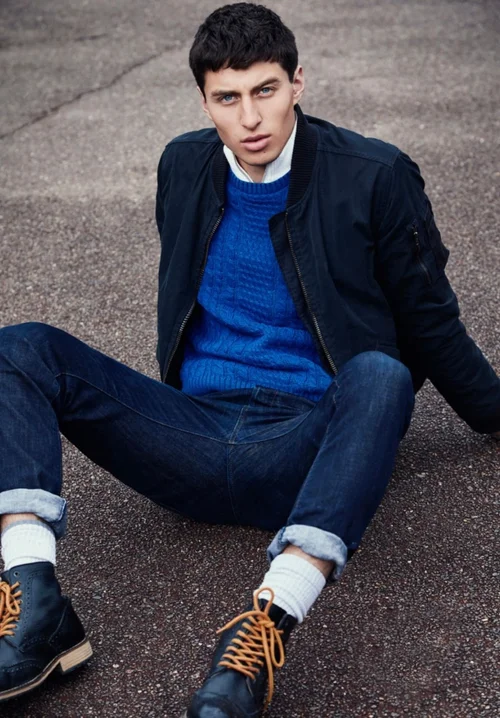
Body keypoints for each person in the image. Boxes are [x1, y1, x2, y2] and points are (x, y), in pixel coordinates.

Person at [0, 3, 499, 716]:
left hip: (305, 448)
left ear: (298, 82)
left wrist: (492, 409)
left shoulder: (374, 175)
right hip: (190, 437)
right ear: (205, 103)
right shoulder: (183, 164)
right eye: (228, 98)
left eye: (265, 90)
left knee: (381, 374)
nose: (251, 117)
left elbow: (429, 321)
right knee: (20, 347)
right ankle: (34, 602)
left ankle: (266, 627)